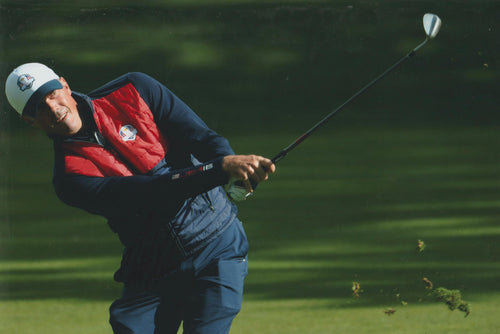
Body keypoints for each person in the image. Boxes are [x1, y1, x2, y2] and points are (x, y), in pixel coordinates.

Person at [5, 62, 276, 333]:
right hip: (153, 266)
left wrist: (235, 168)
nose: (53, 108)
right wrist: (219, 170)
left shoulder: (134, 89)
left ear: (65, 85)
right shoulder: (69, 178)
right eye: (39, 107)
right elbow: (151, 192)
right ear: (30, 121)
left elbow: (200, 137)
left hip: (217, 243)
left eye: (52, 94)